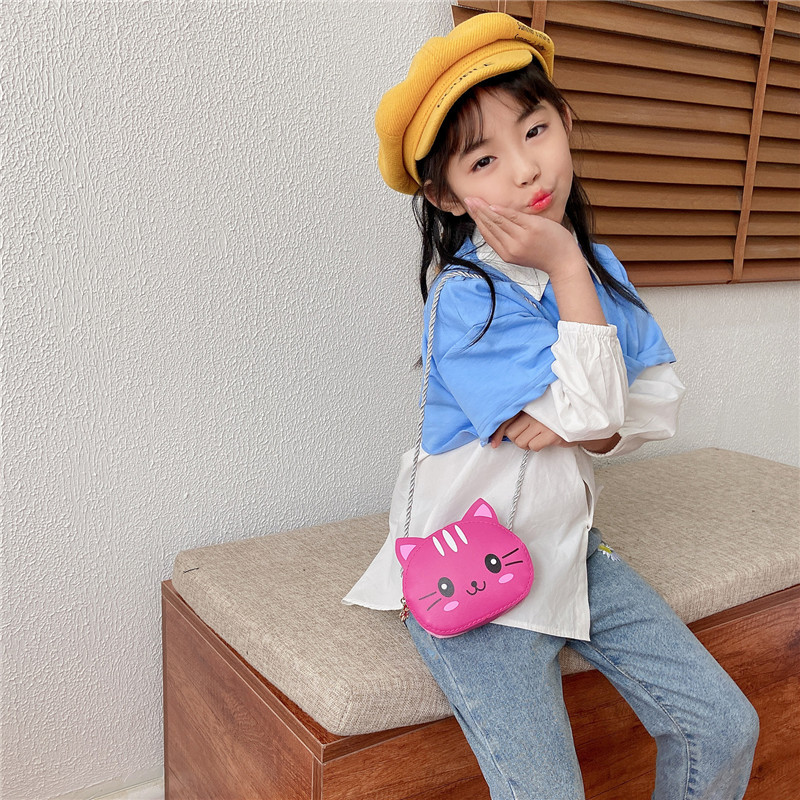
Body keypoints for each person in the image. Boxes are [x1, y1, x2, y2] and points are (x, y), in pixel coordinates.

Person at [344, 12, 759, 799]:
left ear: (565, 121)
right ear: (445, 193)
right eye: (485, 159)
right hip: (474, 579)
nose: (526, 169)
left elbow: (658, 402)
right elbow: (604, 410)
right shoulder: (465, 299)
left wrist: (582, 412)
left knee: (724, 727)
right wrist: (569, 278)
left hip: (573, 553)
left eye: (535, 130)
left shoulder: (596, 267)